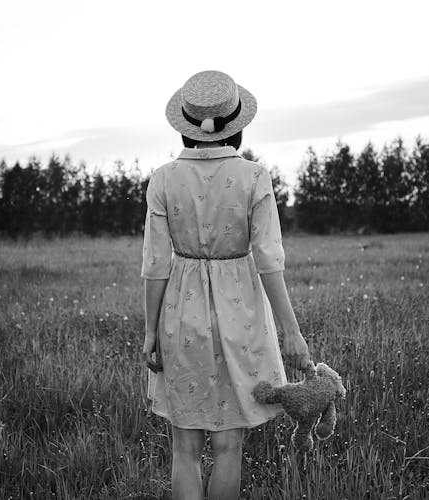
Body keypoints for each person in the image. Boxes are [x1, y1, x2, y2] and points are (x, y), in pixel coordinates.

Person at [140, 70, 310, 500]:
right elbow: (269, 259)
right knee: (229, 445)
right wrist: (292, 331)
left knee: (185, 447)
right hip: (243, 316)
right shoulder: (255, 176)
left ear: (186, 123)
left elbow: (156, 263)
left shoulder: (162, 178)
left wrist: (149, 331)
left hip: (180, 313)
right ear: (236, 123)